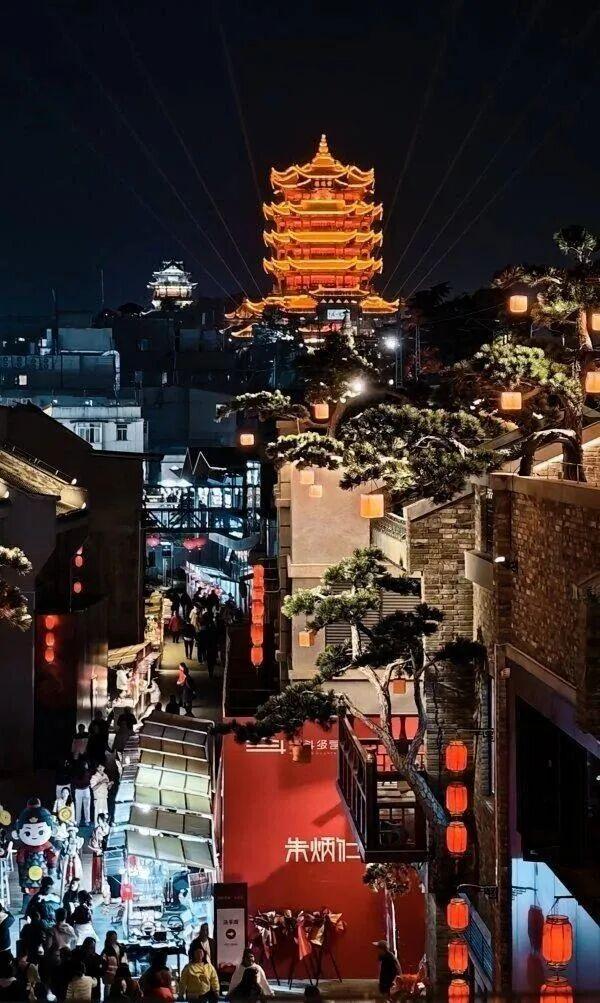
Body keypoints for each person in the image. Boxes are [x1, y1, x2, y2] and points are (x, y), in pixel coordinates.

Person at [72, 760, 92, 827]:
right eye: (86, 764)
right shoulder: (87, 772)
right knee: (86, 807)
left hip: (79, 790)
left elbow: (74, 781)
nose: (87, 765)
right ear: (84, 765)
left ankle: (78, 822)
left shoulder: (76, 772)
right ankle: (86, 821)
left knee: (78, 807)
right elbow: (89, 780)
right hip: (84, 790)